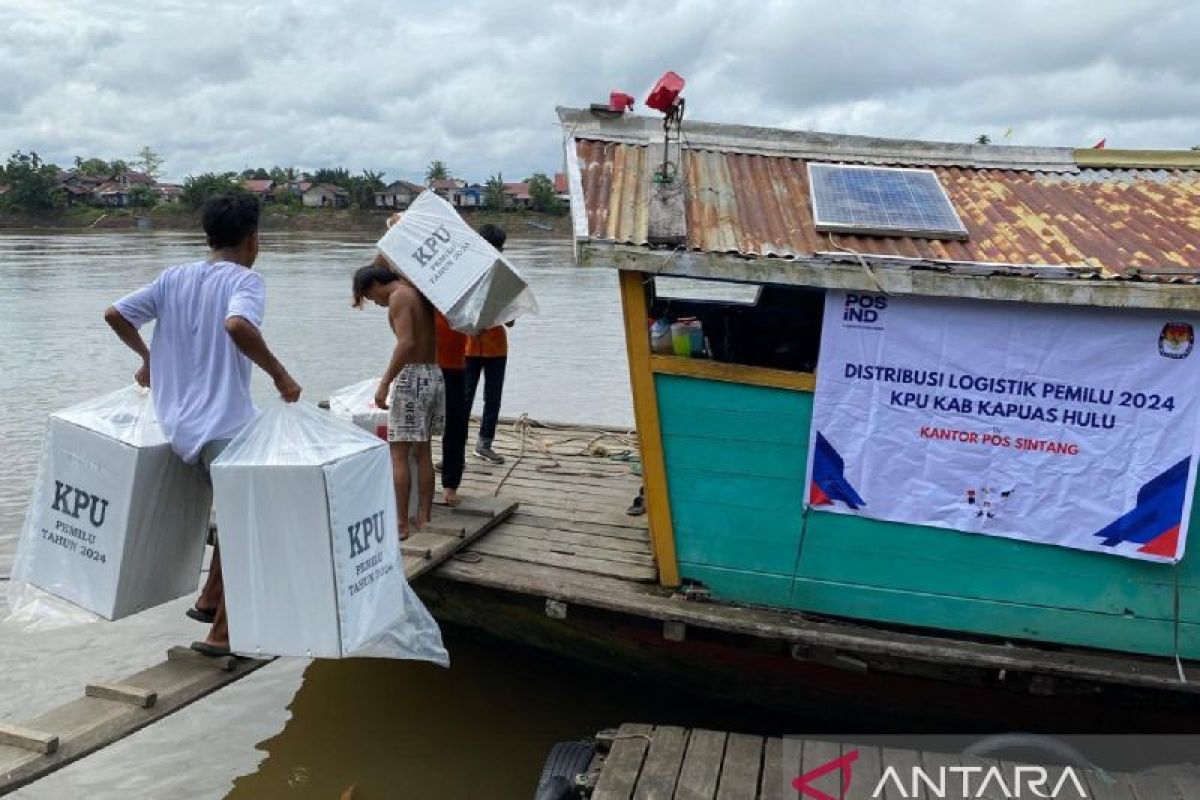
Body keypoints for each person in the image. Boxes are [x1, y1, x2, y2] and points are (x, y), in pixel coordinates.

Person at [104, 194, 302, 657]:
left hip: (176, 428)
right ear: (253, 240)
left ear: (207, 236)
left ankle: (210, 599)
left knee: (233, 519)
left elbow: (116, 314)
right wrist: (280, 374)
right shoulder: (246, 281)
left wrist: (148, 358)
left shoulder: (173, 278)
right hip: (226, 428)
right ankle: (223, 636)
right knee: (253, 525)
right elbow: (237, 325)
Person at [352, 264, 443, 539]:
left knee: (398, 453)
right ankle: (423, 516)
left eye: (370, 296)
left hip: (413, 378)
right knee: (423, 451)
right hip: (433, 374)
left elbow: (406, 342)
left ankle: (401, 524)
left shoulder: (399, 297)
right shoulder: (416, 289)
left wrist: (384, 383)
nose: (376, 303)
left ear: (375, 285)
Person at [464, 223, 512, 465]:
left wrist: (498, 310)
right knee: (463, 399)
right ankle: (455, 450)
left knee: (492, 398)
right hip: (468, 346)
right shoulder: (464, 275)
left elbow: (511, 320)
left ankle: (484, 445)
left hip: (495, 347)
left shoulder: (503, 276)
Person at [436, 311, 469, 506]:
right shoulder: (423, 296)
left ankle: (450, 485)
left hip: (455, 367)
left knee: (455, 427)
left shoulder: (462, 303)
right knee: (418, 430)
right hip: (427, 365)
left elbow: (476, 329)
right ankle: (416, 483)